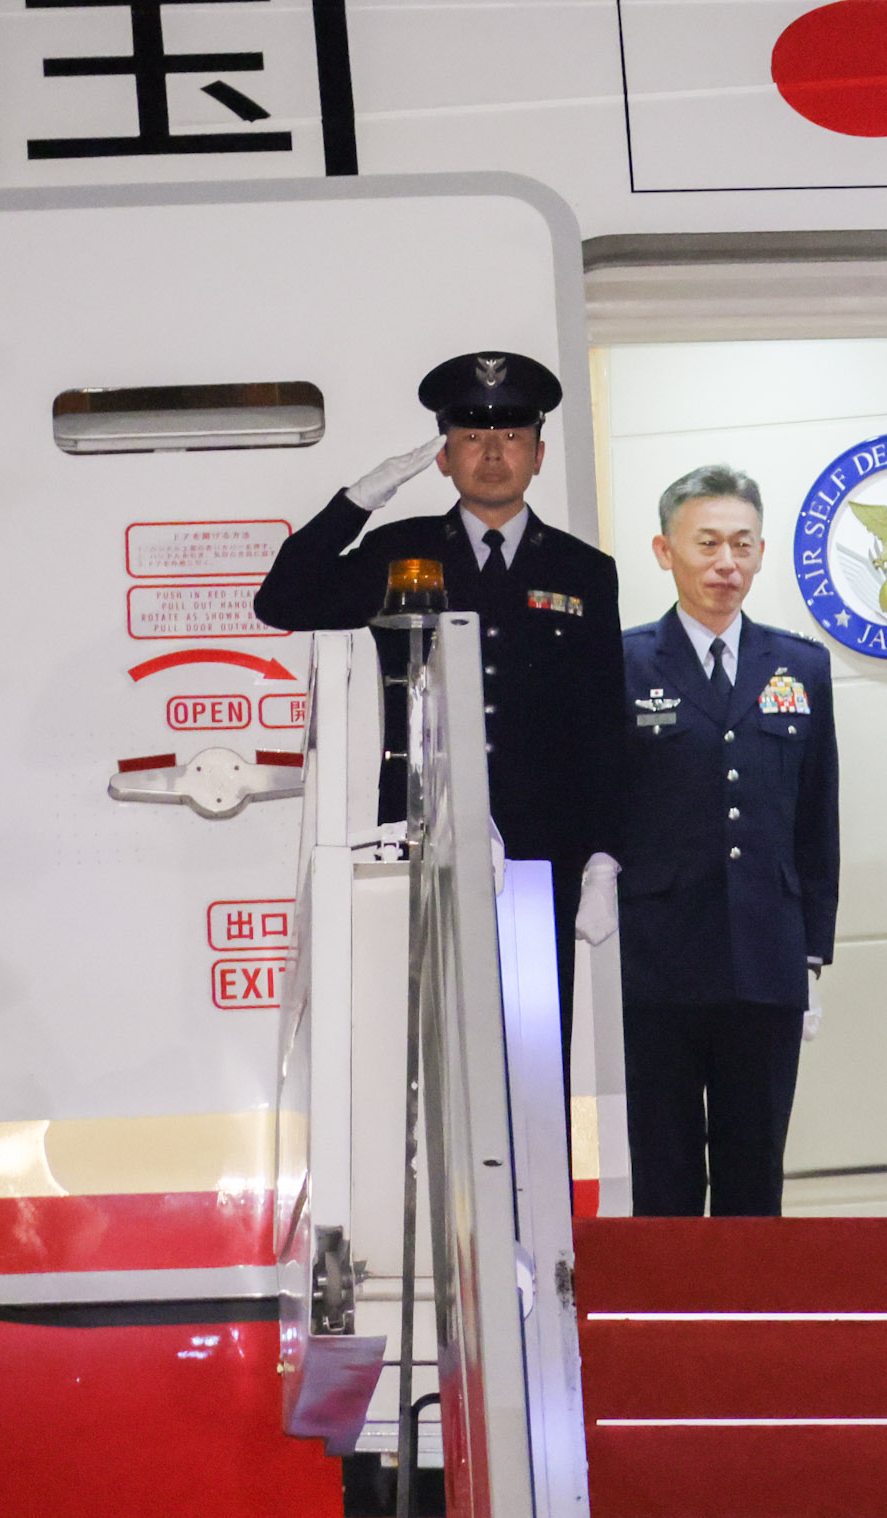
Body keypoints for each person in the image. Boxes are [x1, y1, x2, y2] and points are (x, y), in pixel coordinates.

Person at [254, 351, 626, 1063]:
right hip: (422, 838)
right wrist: (358, 501)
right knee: (427, 1058)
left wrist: (605, 856)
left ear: (540, 455)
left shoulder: (583, 571)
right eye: (472, 438)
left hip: (539, 853)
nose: (493, 453)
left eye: (512, 436)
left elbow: (604, 722)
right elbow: (282, 602)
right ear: (444, 459)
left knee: (533, 1064)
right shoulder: (403, 550)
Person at [610, 466, 837, 1217]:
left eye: (742, 544)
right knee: (666, 1171)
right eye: (706, 543)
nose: (725, 563)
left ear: (763, 552)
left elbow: (816, 815)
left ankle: (750, 1329)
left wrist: (812, 948)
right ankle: (665, 1329)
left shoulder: (800, 666)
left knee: (754, 1172)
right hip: (658, 961)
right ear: (664, 550)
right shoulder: (623, 663)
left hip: (766, 958)